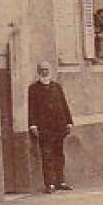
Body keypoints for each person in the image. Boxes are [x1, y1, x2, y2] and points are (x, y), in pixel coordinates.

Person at [28, 61, 74, 192]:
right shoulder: (33, 89)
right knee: (47, 155)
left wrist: (69, 122)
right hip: (44, 128)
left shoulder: (57, 87)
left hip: (59, 127)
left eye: (47, 69)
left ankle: (61, 181)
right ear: (38, 72)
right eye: (42, 69)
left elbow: (64, 105)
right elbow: (31, 108)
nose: (45, 72)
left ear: (50, 70)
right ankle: (50, 184)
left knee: (59, 154)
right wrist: (33, 125)